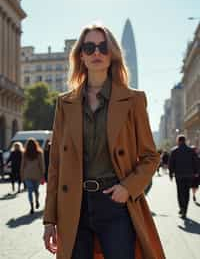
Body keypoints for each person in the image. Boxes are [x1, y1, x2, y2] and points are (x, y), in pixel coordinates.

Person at [43, 23, 165, 259]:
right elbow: (55, 164)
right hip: (74, 207)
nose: (96, 52)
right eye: (89, 47)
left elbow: (151, 156)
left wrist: (128, 188)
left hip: (115, 204)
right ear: (81, 56)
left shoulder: (133, 100)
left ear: (113, 54)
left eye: (103, 47)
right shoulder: (65, 103)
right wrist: (50, 219)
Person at [168, 135, 198, 219]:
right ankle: (185, 209)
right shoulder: (191, 151)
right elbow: (196, 162)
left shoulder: (174, 151)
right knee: (186, 193)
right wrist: (196, 172)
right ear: (185, 141)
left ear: (178, 141)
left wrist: (170, 174)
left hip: (179, 175)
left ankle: (182, 208)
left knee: (180, 192)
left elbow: (171, 164)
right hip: (189, 175)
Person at [20, 138, 45, 214]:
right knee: (36, 190)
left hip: (27, 174)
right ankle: (37, 200)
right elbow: (42, 164)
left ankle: (32, 206)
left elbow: (22, 165)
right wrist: (43, 173)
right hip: (37, 174)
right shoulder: (39, 153)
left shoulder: (25, 153)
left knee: (30, 191)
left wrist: (21, 174)